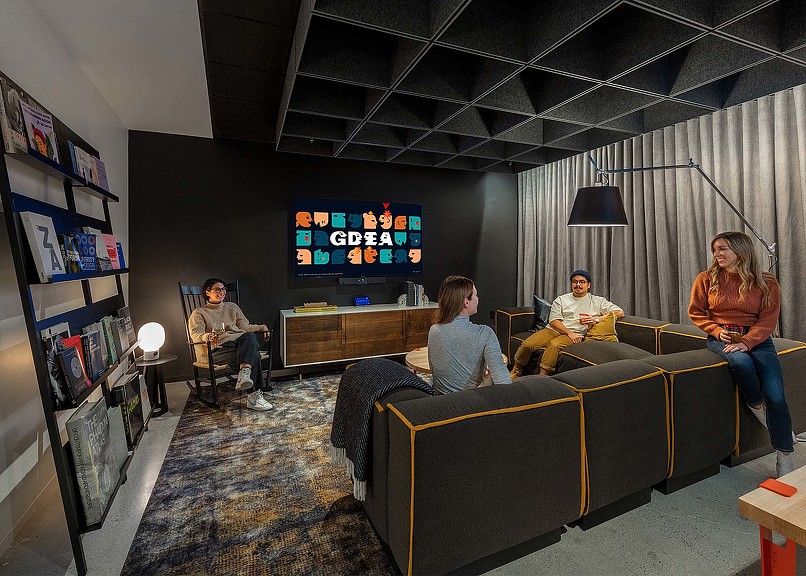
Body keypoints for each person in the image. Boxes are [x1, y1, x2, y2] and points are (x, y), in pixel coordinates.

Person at [688, 231, 796, 477]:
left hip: (758, 338)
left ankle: (784, 456)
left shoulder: (766, 282)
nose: (717, 254)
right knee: (740, 363)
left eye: (723, 249)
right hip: (722, 336)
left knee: (776, 395)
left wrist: (748, 342)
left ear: (741, 250)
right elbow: (696, 312)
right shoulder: (706, 279)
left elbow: (768, 320)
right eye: (715, 249)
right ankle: (761, 411)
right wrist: (716, 331)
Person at [509, 269, 624, 378]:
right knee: (528, 344)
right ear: (571, 284)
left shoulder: (598, 301)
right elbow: (554, 321)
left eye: (582, 282)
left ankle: (542, 378)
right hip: (554, 330)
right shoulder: (561, 299)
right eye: (575, 282)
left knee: (554, 346)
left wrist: (596, 320)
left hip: (576, 333)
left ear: (588, 285)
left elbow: (619, 312)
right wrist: (569, 333)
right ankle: (516, 370)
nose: (578, 285)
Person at [188, 278, 273, 411]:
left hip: (239, 345)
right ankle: (253, 396)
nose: (221, 292)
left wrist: (262, 327)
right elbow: (195, 334)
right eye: (217, 289)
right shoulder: (199, 312)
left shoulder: (232, 307)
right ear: (208, 292)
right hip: (217, 350)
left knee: (249, 337)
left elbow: (245, 327)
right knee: (253, 354)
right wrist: (208, 336)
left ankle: (245, 374)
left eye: (223, 289)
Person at [427, 275, 511, 394]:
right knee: (500, 368)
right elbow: (503, 382)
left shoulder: (434, 330)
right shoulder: (485, 333)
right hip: (471, 404)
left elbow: (434, 369)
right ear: (466, 302)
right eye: (475, 295)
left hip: (442, 402)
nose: (478, 299)